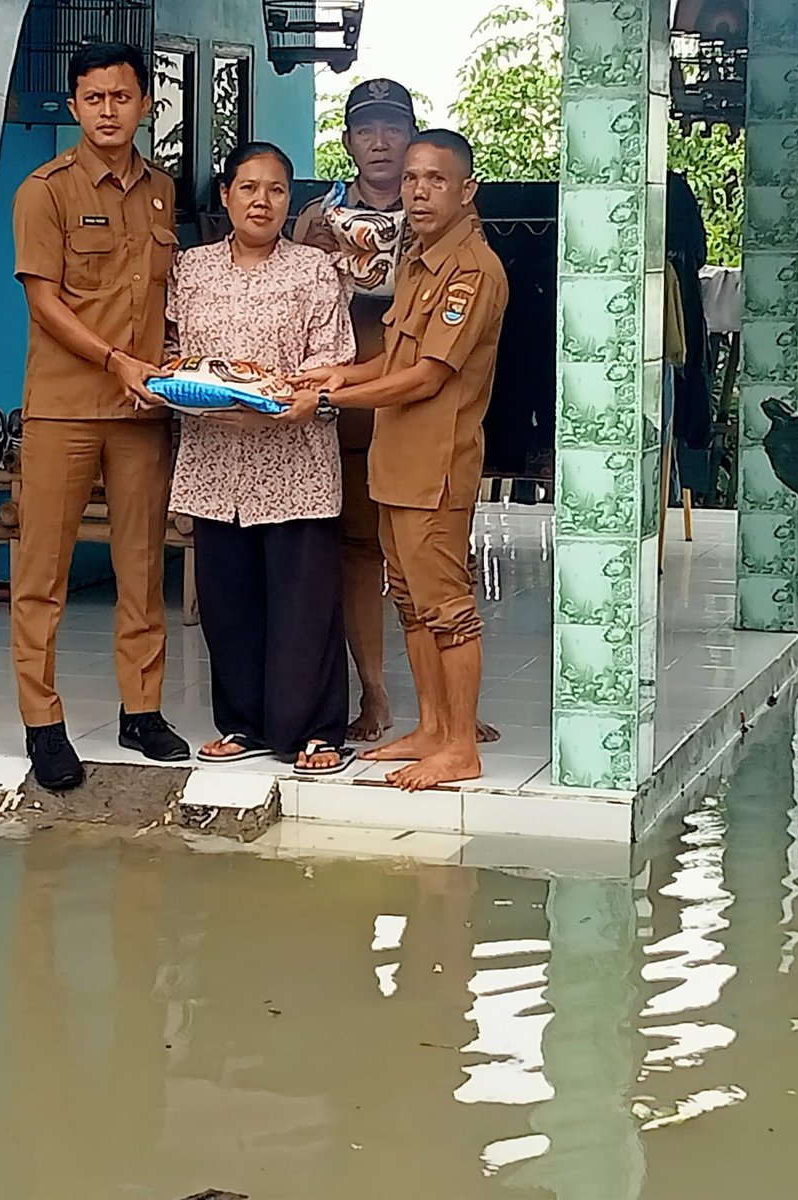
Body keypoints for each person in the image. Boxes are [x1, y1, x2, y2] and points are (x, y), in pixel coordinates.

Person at [290, 131, 508, 792]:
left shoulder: (472, 270)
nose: (418, 191)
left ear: (466, 190)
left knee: (448, 608)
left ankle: (461, 746)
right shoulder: (418, 259)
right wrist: (341, 371)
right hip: (395, 460)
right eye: (412, 178)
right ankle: (431, 729)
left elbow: (427, 377)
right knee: (411, 603)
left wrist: (332, 395)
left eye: (436, 179)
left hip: (435, 466)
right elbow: (397, 358)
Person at [10, 42, 189, 791]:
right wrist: (116, 360)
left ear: (145, 105)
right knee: (42, 572)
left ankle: (141, 711)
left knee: (141, 567)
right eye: (94, 99)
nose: (109, 111)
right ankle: (42, 723)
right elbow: (44, 302)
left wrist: (176, 362)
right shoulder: (44, 190)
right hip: (65, 408)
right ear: (75, 107)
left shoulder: (162, 190)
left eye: (122, 97)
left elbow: (163, 297)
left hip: (141, 412)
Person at [167, 142, 358, 774]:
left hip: (295, 463)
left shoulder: (313, 270)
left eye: (276, 190)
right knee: (229, 602)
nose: (262, 201)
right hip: (215, 460)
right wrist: (181, 386)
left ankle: (317, 731)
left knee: (304, 604)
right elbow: (173, 350)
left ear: (288, 201)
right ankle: (242, 724)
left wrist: (280, 399)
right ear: (226, 196)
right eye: (248, 188)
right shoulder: (191, 268)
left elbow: (334, 361)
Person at [290, 79, 414, 745]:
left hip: (417, 404)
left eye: (392, 128)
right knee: (357, 557)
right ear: (348, 142)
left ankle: (453, 703)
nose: (380, 142)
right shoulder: (320, 216)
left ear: (411, 138)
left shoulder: (437, 207)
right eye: (366, 129)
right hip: (342, 410)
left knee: (428, 558)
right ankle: (374, 693)